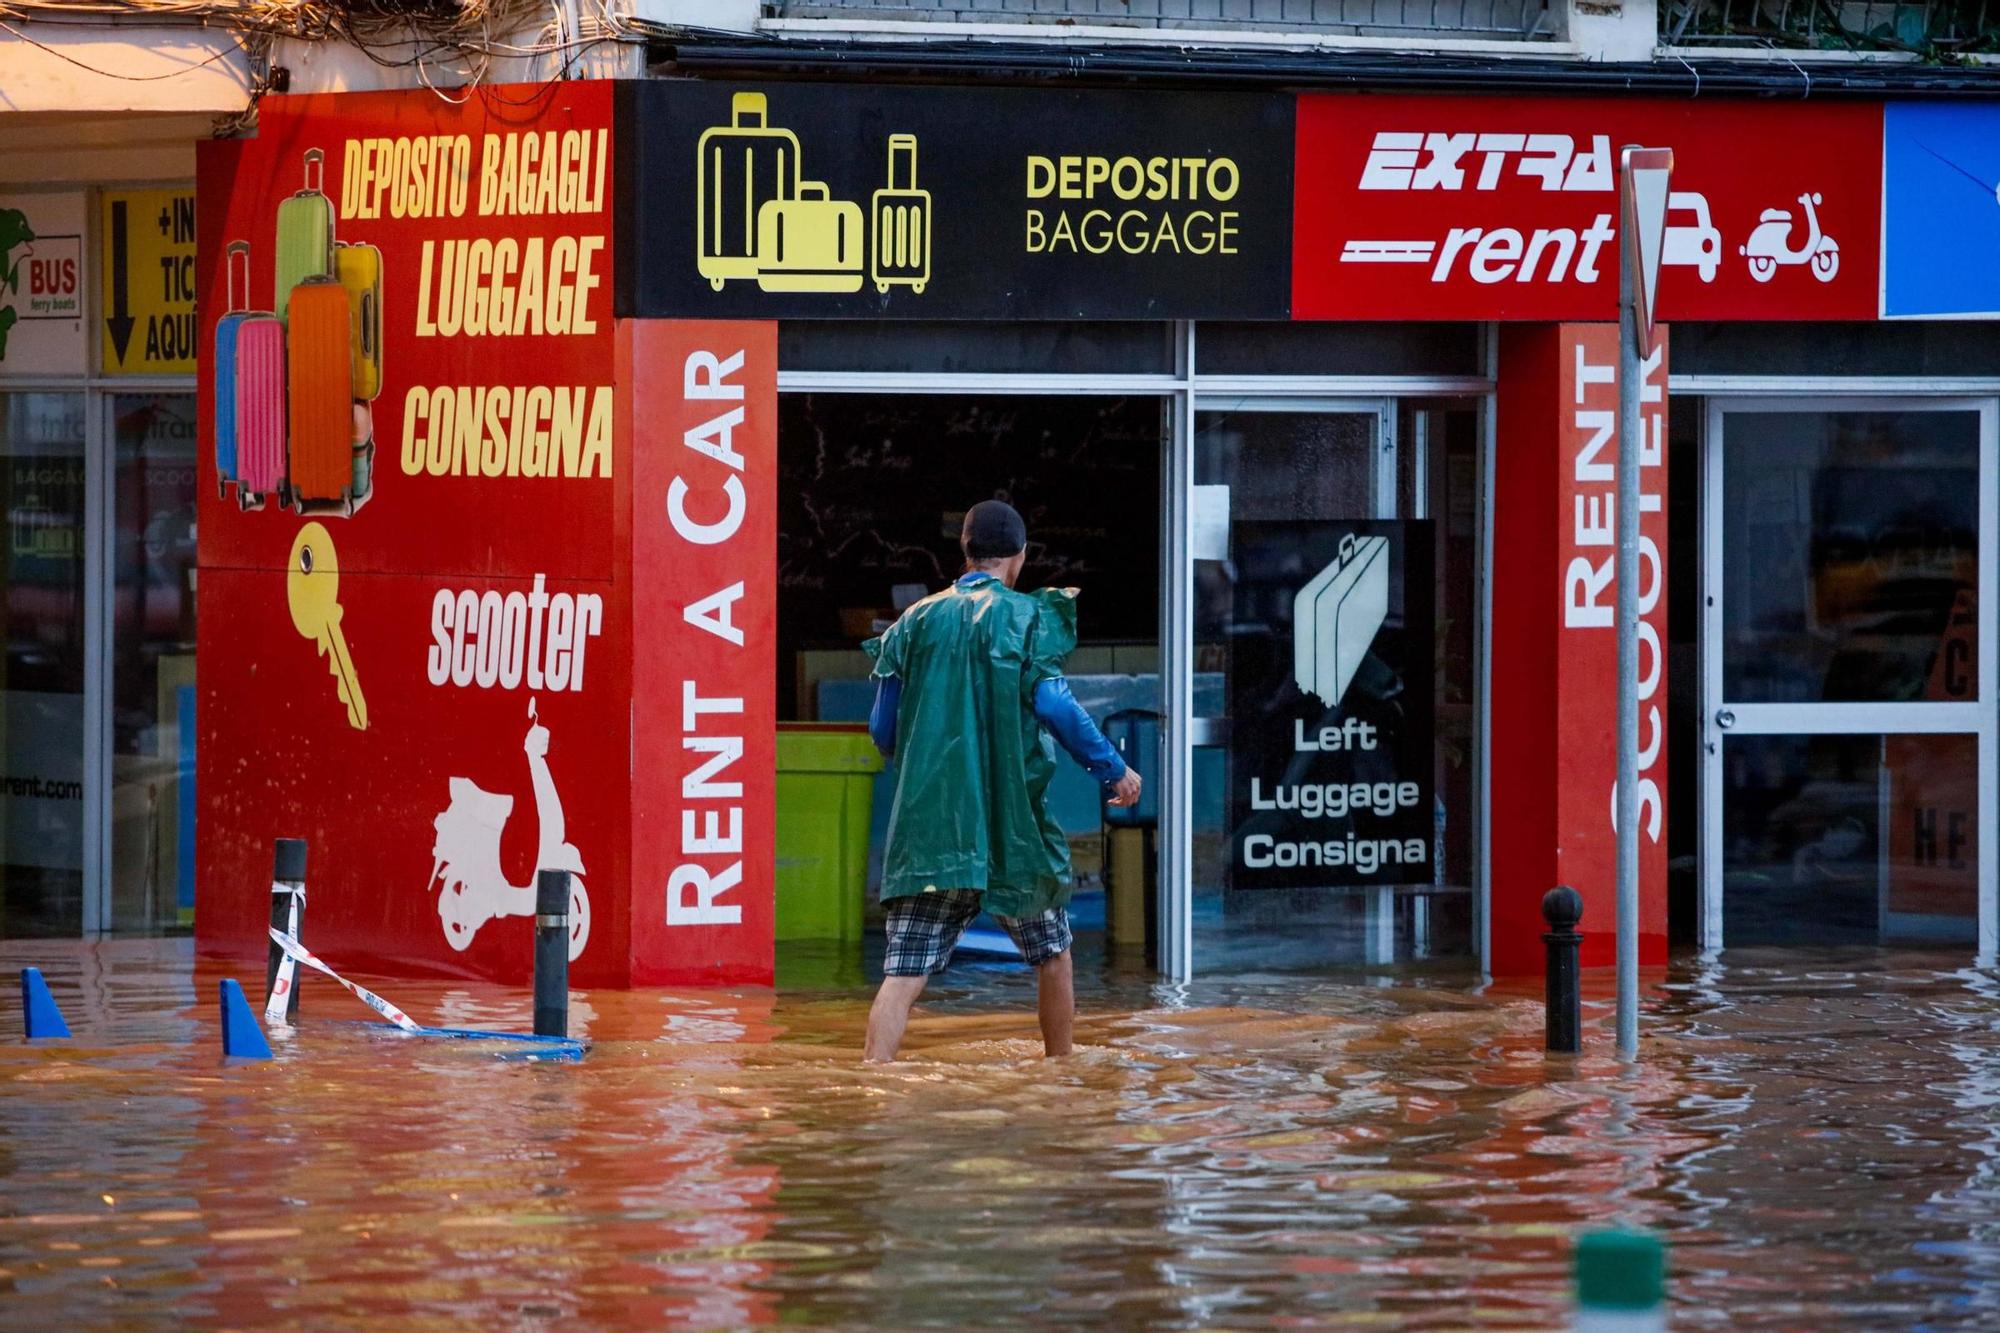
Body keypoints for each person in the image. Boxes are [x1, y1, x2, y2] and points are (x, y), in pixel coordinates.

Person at [861, 500, 1142, 1062]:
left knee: (903, 973)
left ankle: (872, 1083)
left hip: (934, 829)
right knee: (1053, 955)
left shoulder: (913, 621)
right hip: (1011, 828)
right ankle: (1061, 1077)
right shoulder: (1030, 618)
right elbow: (1055, 707)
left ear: (964, 552)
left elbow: (882, 729)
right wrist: (1114, 768)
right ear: (1020, 555)